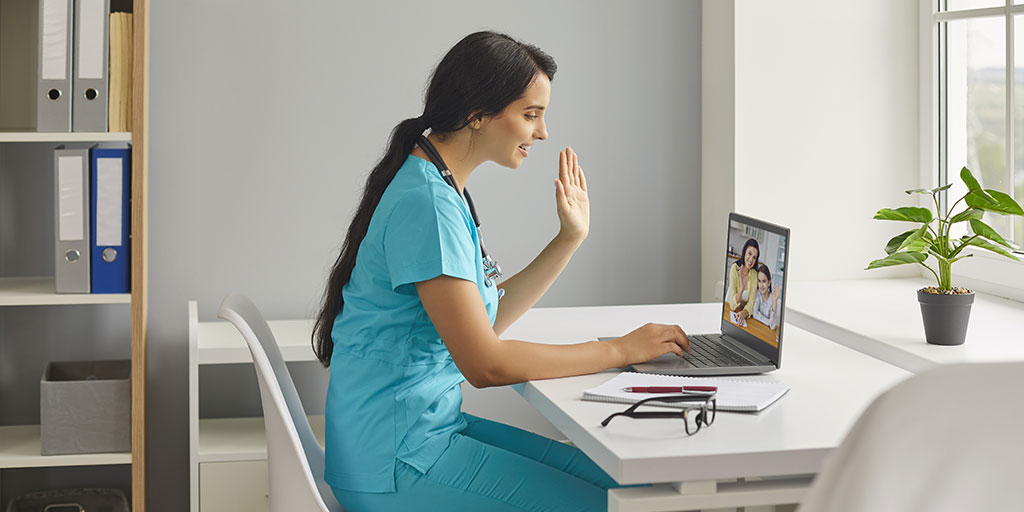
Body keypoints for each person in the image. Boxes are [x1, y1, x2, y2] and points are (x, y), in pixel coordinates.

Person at [310, 31, 690, 512]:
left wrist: (568, 239)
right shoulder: (427, 204)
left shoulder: (440, 188)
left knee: (635, 489)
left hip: (423, 434)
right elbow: (485, 363)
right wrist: (619, 350)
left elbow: (481, 324)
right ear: (477, 114)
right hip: (395, 461)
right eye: (531, 114)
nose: (543, 132)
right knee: (618, 506)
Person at [726, 238, 759, 325]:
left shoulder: (754, 275)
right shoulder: (735, 269)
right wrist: (741, 289)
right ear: (744, 252)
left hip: (742, 315)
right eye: (749, 254)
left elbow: (751, 304)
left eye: (754, 257)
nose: (751, 260)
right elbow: (732, 305)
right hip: (730, 308)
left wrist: (743, 314)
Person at [751, 263, 781, 331]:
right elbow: (755, 314)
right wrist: (768, 322)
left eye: (764, 281)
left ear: (769, 282)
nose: (761, 285)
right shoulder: (757, 293)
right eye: (759, 281)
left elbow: (773, 326)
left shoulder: (774, 299)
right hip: (757, 329)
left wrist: (774, 303)